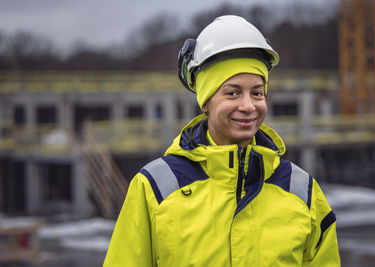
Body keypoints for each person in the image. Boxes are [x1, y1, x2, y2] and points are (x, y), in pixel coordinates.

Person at [104, 15, 340, 266]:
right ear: (205, 101)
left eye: (257, 93)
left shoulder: (302, 191)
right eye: (232, 93)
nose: (248, 106)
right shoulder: (155, 188)